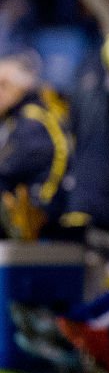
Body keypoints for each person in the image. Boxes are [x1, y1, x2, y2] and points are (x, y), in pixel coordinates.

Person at [0, 50, 68, 239]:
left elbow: (9, 166)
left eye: (4, 85)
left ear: (22, 86)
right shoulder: (16, 117)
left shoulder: (32, 120)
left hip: (42, 218)